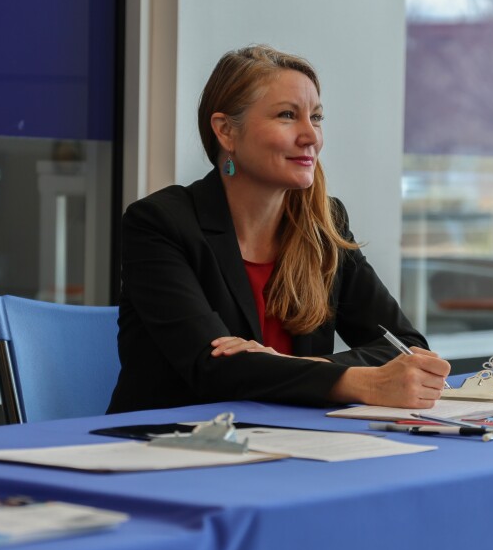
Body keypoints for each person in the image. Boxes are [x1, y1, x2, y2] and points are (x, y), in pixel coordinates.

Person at [107, 44, 450, 414]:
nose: (311, 136)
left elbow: (406, 346)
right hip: (169, 440)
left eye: (316, 117)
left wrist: (298, 365)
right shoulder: (159, 223)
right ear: (225, 131)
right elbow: (213, 370)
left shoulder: (325, 224)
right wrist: (359, 381)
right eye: (288, 115)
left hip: (290, 436)